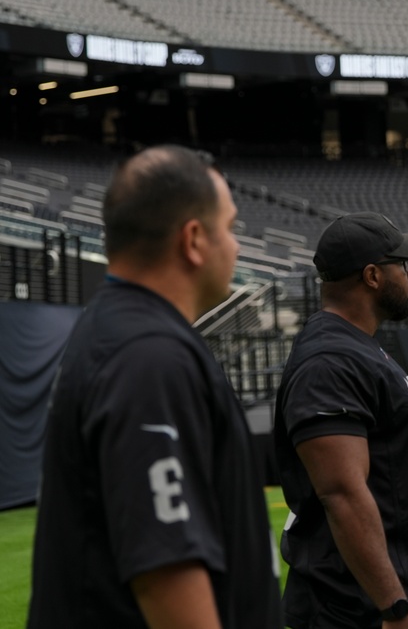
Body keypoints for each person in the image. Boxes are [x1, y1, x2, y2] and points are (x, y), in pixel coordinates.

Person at [27, 145, 282, 628]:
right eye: (229, 228)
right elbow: (166, 568)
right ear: (193, 240)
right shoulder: (146, 355)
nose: (238, 246)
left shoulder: (122, 331)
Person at [274, 212, 408, 629]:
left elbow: (392, 486)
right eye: (405, 265)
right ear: (374, 276)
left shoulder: (357, 347)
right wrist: (394, 607)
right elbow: (342, 494)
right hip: (356, 609)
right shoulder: (330, 361)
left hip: (396, 592)